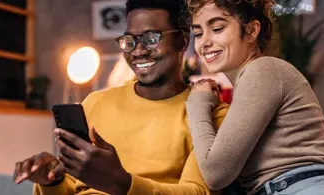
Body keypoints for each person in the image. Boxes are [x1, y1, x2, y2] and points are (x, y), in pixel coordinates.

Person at [12, 0, 241, 194]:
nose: (138, 51)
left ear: (182, 40)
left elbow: (196, 191)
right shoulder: (96, 102)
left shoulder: (212, 115)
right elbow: (73, 186)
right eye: (129, 41)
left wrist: (120, 182)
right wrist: (52, 180)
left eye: (151, 38)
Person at [185, 0, 324, 195]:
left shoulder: (263, 69)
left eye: (217, 28)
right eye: (198, 33)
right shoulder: (252, 80)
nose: (204, 42)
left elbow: (216, 174)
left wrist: (196, 104)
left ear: (252, 31)